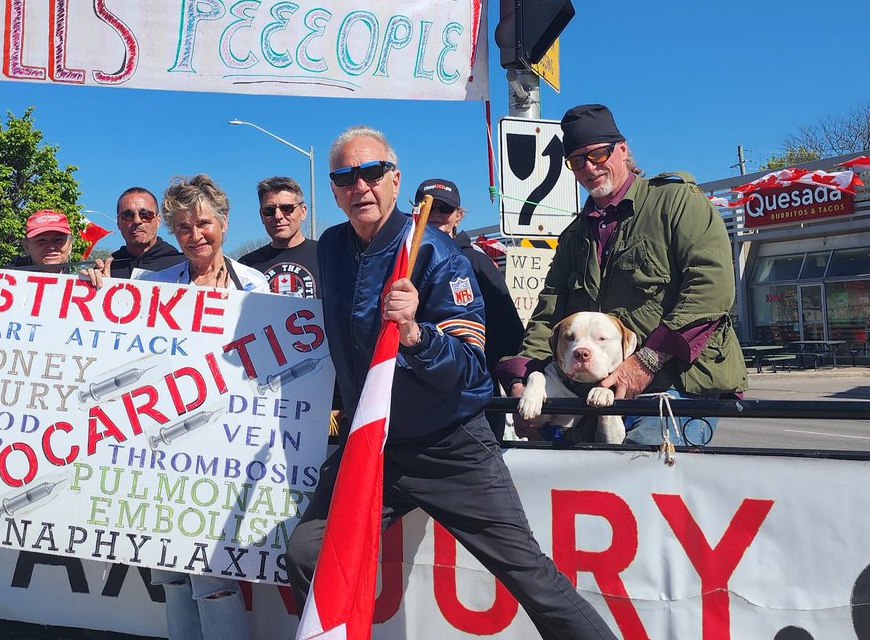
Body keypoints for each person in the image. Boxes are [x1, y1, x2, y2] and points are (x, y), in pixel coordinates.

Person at [285, 126, 617, 640]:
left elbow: (468, 367)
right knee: (307, 553)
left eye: (372, 173)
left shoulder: (438, 254)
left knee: (532, 578)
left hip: (451, 445)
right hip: (374, 447)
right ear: (333, 190)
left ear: (395, 181)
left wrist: (417, 334)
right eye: (345, 177)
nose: (360, 186)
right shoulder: (329, 248)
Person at [496, 104, 746, 446]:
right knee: (575, 483)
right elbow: (548, 316)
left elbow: (711, 291)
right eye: (577, 161)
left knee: (640, 469)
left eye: (598, 154)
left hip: (674, 389)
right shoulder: (573, 236)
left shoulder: (675, 203)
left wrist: (645, 362)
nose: (589, 168)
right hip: (593, 397)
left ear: (623, 150)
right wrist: (523, 381)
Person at [141, 174, 264, 640]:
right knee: (172, 574)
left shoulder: (255, 284)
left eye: (203, 223)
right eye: (183, 228)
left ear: (224, 224)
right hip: (162, 442)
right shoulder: (153, 285)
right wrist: (97, 283)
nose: (195, 236)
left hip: (225, 441)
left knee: (212, 572)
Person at [416, 177, 525, 442]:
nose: (436, 215)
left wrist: (515, 382)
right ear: (416, 211)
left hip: (472, 400)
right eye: (428, 207)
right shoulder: (399, 261)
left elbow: (508, 332)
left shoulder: (476, 262)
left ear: (458, 216)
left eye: (445, 209)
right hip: (415, 399)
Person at [238, 176, 321, 298]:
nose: (278, 216)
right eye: (269, 210)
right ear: (261, 216)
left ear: (303, 212)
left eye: (287, 208)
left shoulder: (326, 255)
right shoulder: (246, 266)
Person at [103, 187, 184, 279]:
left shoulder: (185, 265)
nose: (137, 221)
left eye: (145, 214)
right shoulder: (108, 269)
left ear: (158, 220)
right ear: (118, 222)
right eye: (128, 215)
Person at [11, 209, 75, 268]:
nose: (51, 247)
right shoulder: (5, 277)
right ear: (26, 247)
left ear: (70, 246)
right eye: (42, 240)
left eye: (58, 240)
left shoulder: (79, 278)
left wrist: (83, 279)